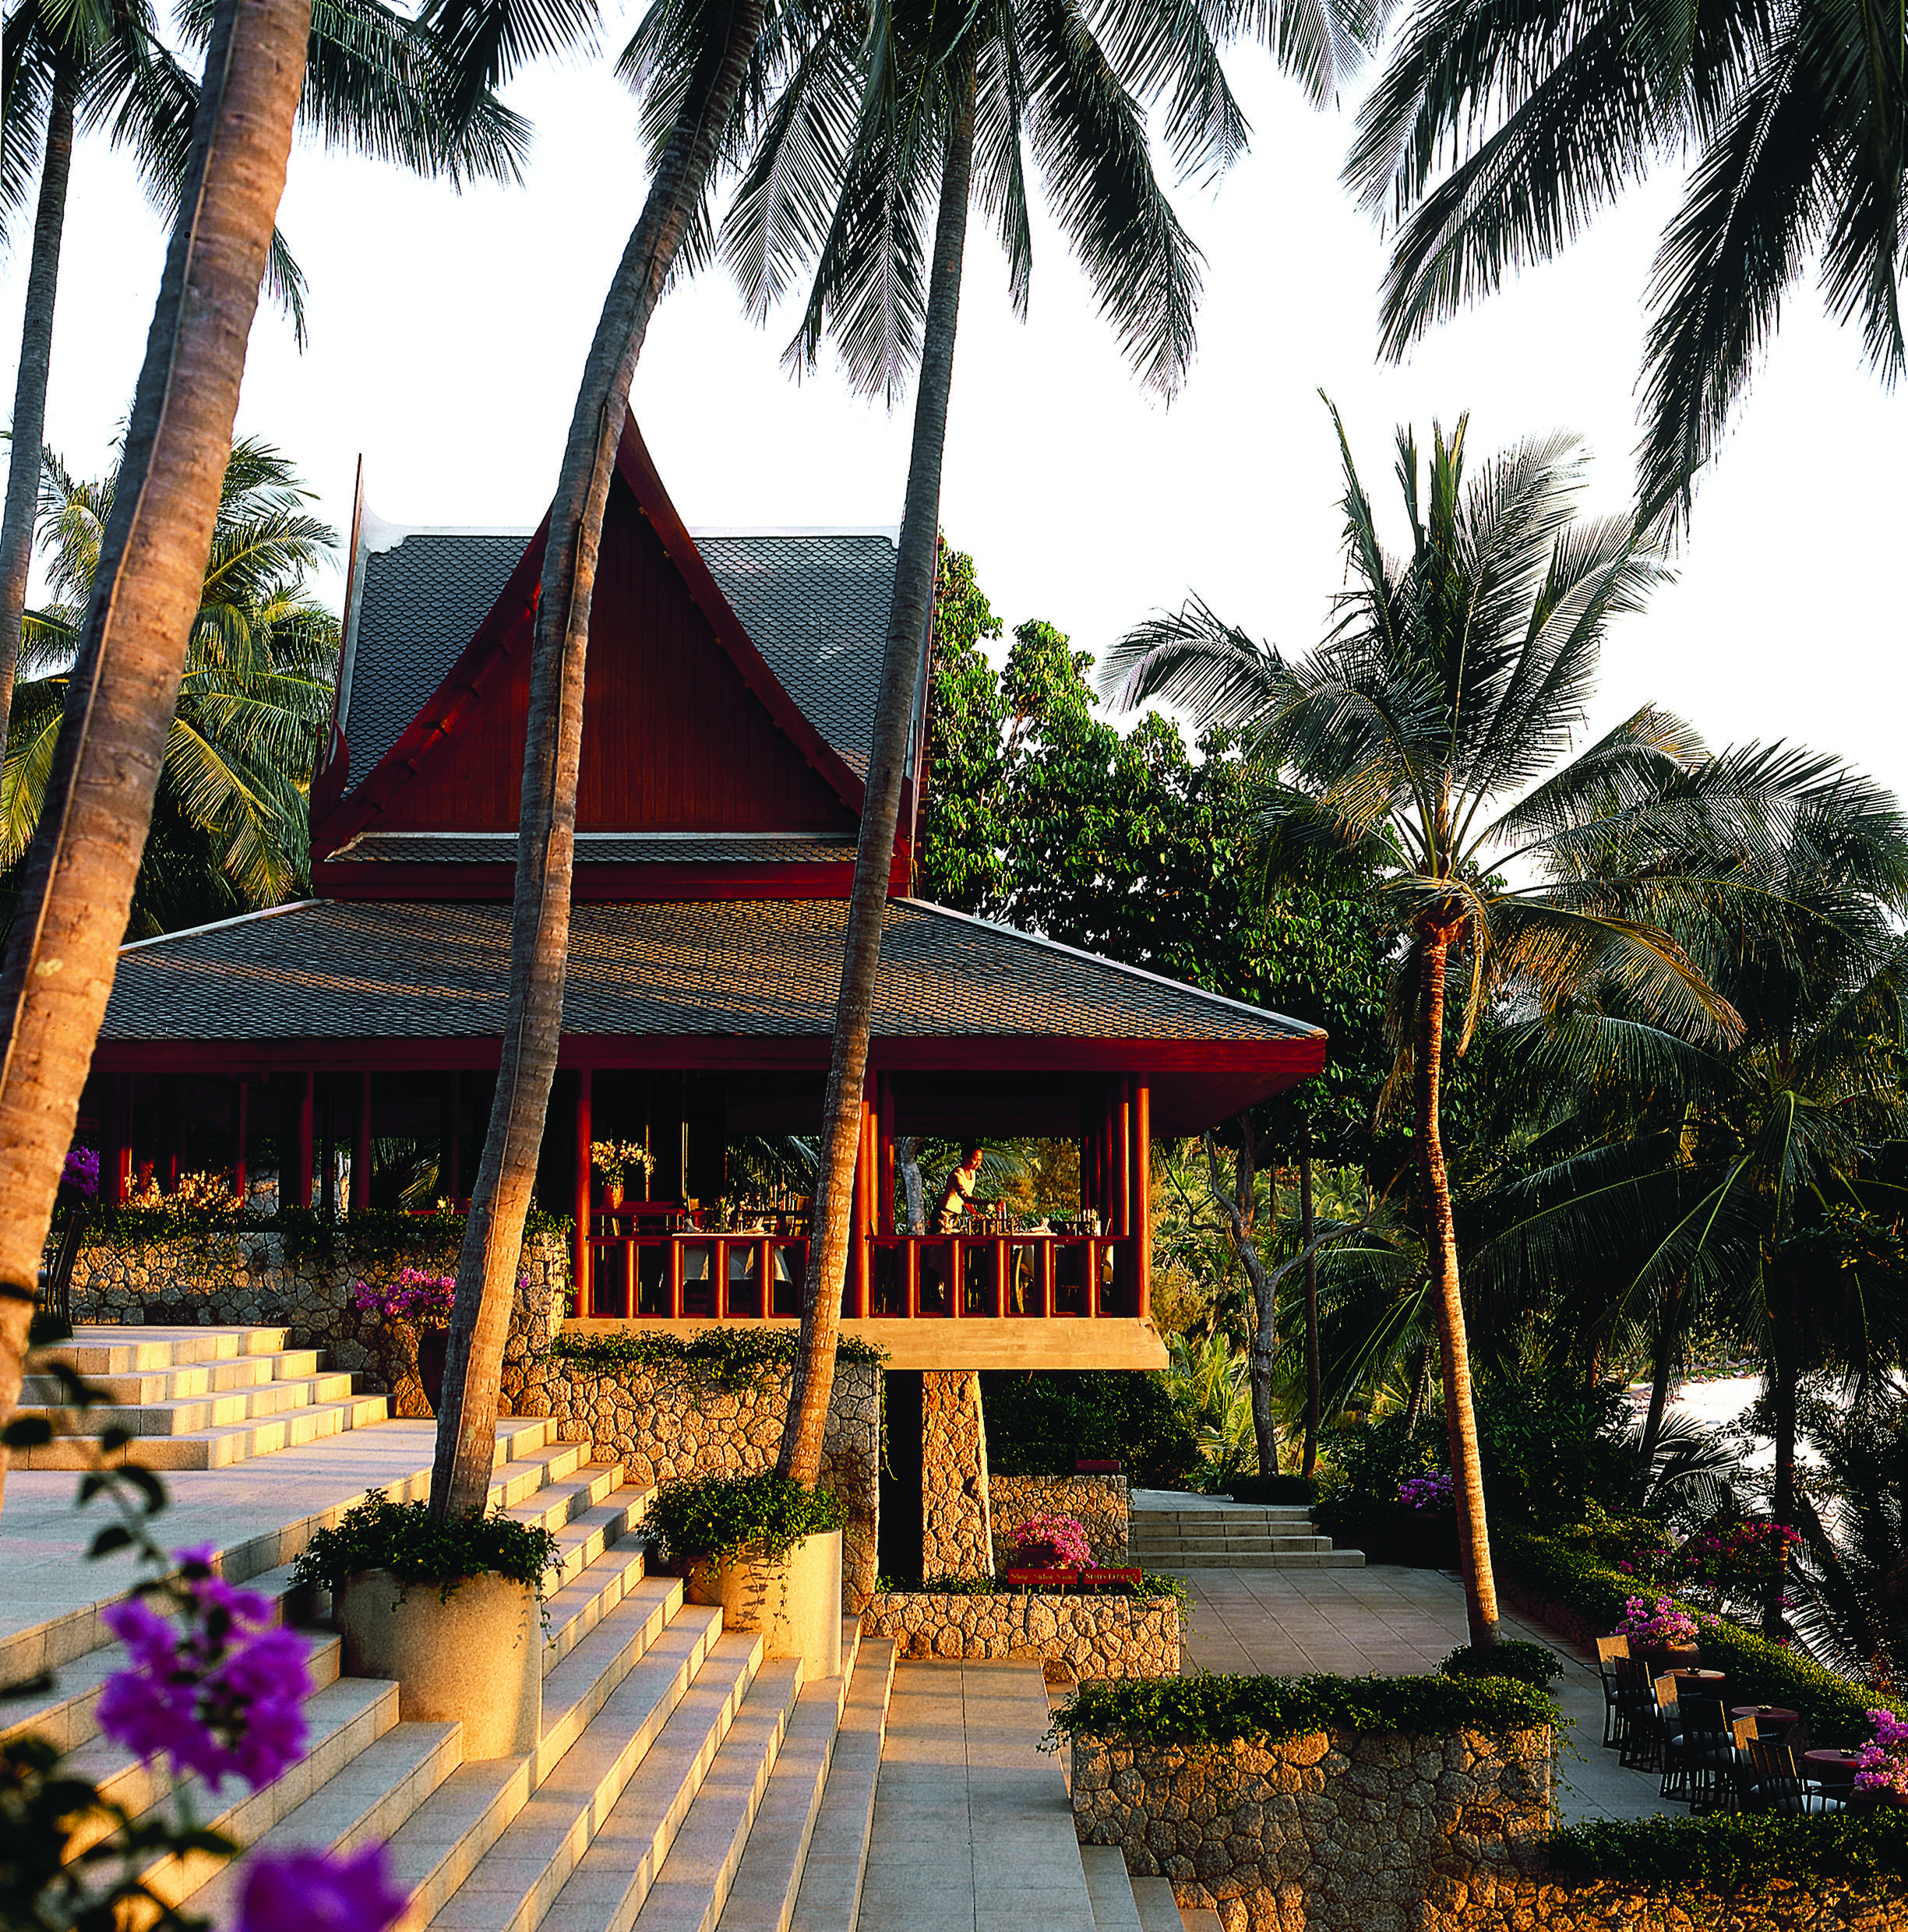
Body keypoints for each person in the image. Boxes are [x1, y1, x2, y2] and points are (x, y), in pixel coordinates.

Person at [933, 1144, 986, 1234]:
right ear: (966, 1157)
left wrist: (975, 1214)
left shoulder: (972, 1174)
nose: (978, 1163)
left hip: (955, 1216)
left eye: (980, 1160)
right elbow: (965, 1197)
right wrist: (988, 1202)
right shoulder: (957, 1174)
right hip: (943, 1214)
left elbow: (967, 1200)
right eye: (975, 1160)